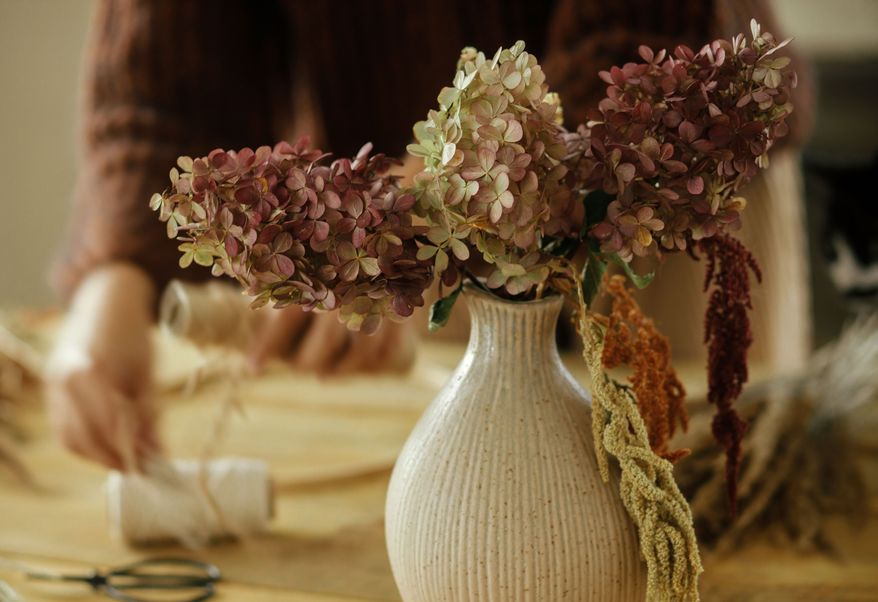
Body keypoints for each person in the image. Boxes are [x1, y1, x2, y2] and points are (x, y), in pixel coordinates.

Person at [47, 0, 810, 472]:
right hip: (406, 215)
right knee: (468, 511)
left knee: (677, 503)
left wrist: (381, 235)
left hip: (663, 192)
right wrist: (115, 283)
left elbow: (634, 44)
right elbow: (164, 75)